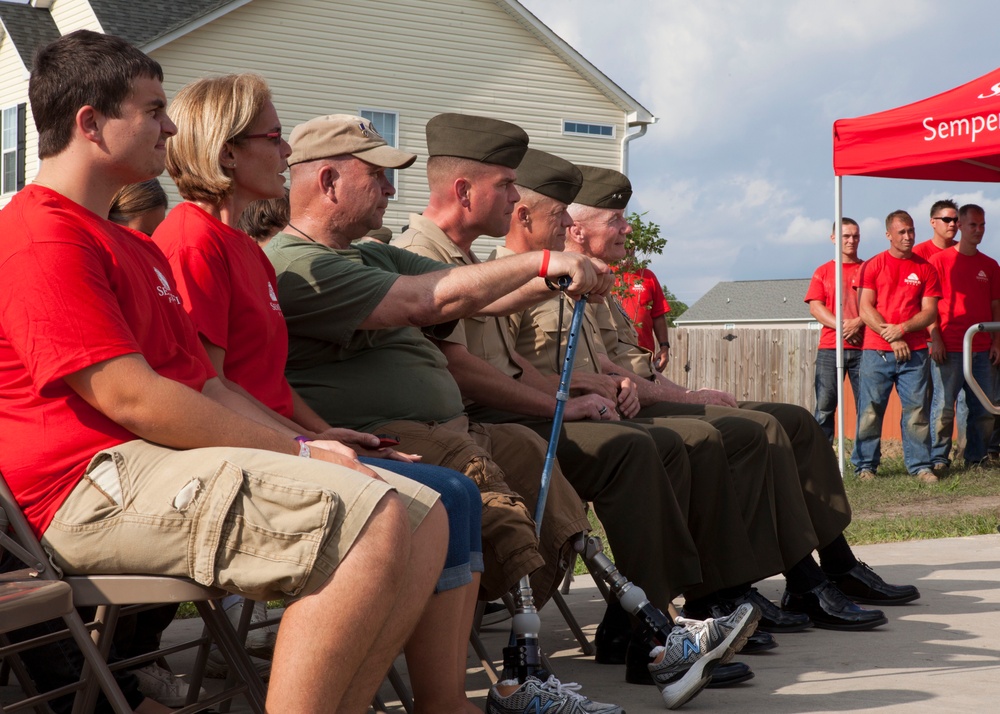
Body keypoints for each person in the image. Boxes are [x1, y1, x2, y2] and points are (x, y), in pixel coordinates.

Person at [0, 30, 449, 714]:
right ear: (90, 123)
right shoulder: (37, 232)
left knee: (424, 515)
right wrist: (300, 449)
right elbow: (132, 396)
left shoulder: (136, 248)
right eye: (151, 110)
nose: (171, 126)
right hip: (83, 487)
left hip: (145, 465)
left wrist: (321, 441)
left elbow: (206, 383)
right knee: (368, 516)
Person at [266, 112, 756, 711]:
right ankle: (524, 673)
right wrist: (543, 266)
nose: (392, 190)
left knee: (527, 458)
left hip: (450, 429)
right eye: (378, 176)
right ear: (329, 181)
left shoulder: (371, 258)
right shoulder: (297, 264)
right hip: (386, 440)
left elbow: (479, 288)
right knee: (480, 494)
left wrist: (560, 279)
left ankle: (651, 631)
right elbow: (427, 301)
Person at [152, 74, 486, 714]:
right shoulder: (191, 240)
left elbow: (268, 383)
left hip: (274, 437)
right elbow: (207, 386)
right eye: (275, 138)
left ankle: (438, 698)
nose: (286, 154)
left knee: (457, 494)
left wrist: (325, 431)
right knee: (431, 495)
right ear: (227, 153)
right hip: (232, 451)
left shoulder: (242, 249)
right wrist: (307, 446)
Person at [394, 146, 770, 688]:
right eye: (506, 186)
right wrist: (562, 403)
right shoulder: (422, 256)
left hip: (500, 417)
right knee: (635, 449)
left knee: (667, 442)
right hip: (473, 423)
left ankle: (665, 613)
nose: (515, 195)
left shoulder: (468, 260)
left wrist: (579, 389)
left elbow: (513, 364)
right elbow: (467, 371)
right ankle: (650, 630)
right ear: (464, 191)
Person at [533, 166, 919, 629]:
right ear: (577, 229)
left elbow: (623, 366)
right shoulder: (558, 282)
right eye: (616, 218)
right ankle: (756, 585)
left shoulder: (597, 282)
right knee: (749, 432)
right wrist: (673, 393)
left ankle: (831, 564)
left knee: (794, 421)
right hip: (612, 412)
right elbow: (602, 372)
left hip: (637, 400)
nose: (628, 228)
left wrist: (684, 391)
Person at [855, 210, 942, 483]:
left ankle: (920, 466)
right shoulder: (872, 265)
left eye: (911, 231)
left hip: (915, 353)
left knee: (917, 410)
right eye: (901, 232)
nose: (908, 236)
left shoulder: (925, 268)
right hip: (875, 351)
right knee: (869, 409)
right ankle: (865, 467)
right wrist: (892, 337)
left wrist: (902, 329)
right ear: (888, 235)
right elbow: (864, 307)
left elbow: (929, 312)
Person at [927, 204, 1000, 470]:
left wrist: (997, 342)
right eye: (973, 225)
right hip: (950, 347)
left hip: (982, 349)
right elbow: (929, 305)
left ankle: (976, 459)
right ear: (959, 225)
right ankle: (937, 460)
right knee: (944, 407)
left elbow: (995, 307)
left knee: (983, 409)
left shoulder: (990, 265)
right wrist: (935, 337)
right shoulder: (939, 262)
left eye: (982, 226)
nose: (978, 230)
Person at [805, 218, 867, 441]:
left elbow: (877, 306)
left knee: (867, 407)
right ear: (833, 238)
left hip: (864, 348)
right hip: (830, 349)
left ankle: (865, 463)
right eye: (846, 236)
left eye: (855, 236)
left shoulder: (868, 269)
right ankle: (822, 459)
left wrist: (858, 322)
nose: (851, 240)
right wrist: (844, 327)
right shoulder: (823, 271)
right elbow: (815, 307)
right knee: (824, 406)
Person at [616, 264, 672, 370]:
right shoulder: (606, 274)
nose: (627, 248)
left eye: (631, 246)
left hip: (643, 354)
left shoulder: (646, 276)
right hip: (613, 353)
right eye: (622, 245)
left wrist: (664, 347)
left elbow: (658, 315)